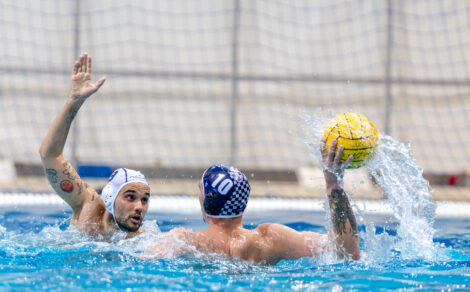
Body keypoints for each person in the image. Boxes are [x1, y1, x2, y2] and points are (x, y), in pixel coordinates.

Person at [142, 140, 360, 264]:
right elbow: (347, 253)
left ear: (208, 199)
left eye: (200, 190)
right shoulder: (272, 238)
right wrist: (333, 184)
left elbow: (137, 262)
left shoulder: (184, 240)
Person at [39, 53, 150, 238]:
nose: (139, 207)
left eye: (145, 200)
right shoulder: (88, 207)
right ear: (109, 199)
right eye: (130, 197)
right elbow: (49, 154)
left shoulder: (142, 240)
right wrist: (75, 100)